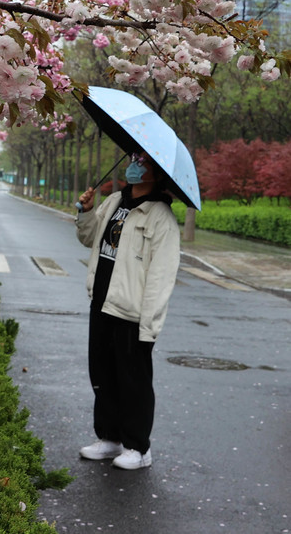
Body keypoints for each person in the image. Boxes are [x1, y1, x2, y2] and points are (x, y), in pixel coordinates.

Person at [75, 150, 181, 470]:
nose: (135, 165)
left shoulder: (160, 216)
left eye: (144, 161)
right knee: (103, 375)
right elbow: (89, 238)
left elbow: (161, 276)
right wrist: (87, 212)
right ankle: (109, 438)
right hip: (103, 302)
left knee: (132, 380)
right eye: (135, 157)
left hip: (132, 313)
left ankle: (138, 447)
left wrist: (149, 325)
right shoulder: (114, 202)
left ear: (157, 172)